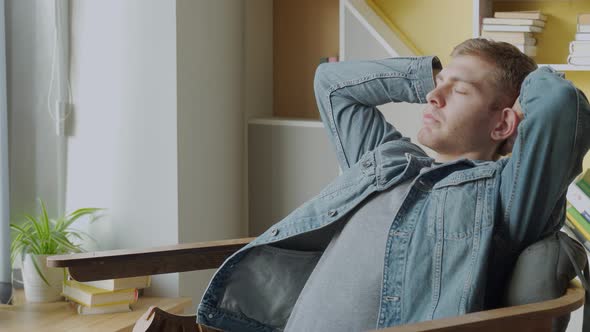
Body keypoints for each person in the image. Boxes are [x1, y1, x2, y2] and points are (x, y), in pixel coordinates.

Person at [135, 38, 590, 332]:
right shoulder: (390, 160)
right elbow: (332, 85)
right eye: (438, 85)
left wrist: (519, 77)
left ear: (503, 123)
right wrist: (433, 78)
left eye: (460, 91)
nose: (434, 97)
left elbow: (561, 108)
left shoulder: (505, 195)